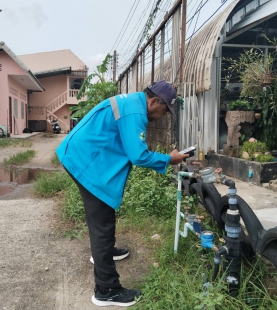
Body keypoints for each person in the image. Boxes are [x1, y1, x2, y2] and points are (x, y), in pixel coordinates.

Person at [56, 80, 189, 307]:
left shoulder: (134, 104)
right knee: (102, 223)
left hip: (82, 154)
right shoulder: (135, 112)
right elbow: (138, 156)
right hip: (84, 160)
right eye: (165, 109)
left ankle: (105, 254)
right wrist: (170, 159)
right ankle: (106, 289)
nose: (164, 114)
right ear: (154, 101)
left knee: (103, 217)